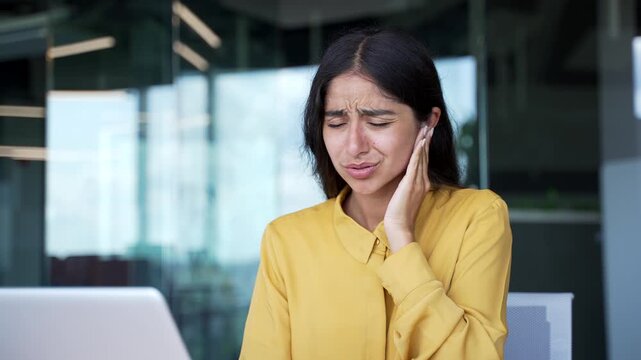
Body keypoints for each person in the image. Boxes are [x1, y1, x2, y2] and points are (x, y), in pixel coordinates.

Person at [240, 28, 512, 360]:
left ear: (428, 122)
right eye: (336, 124)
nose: (354, 146)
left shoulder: (477, 217)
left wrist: (401, 237)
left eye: (378, 123)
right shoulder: (286, 240)